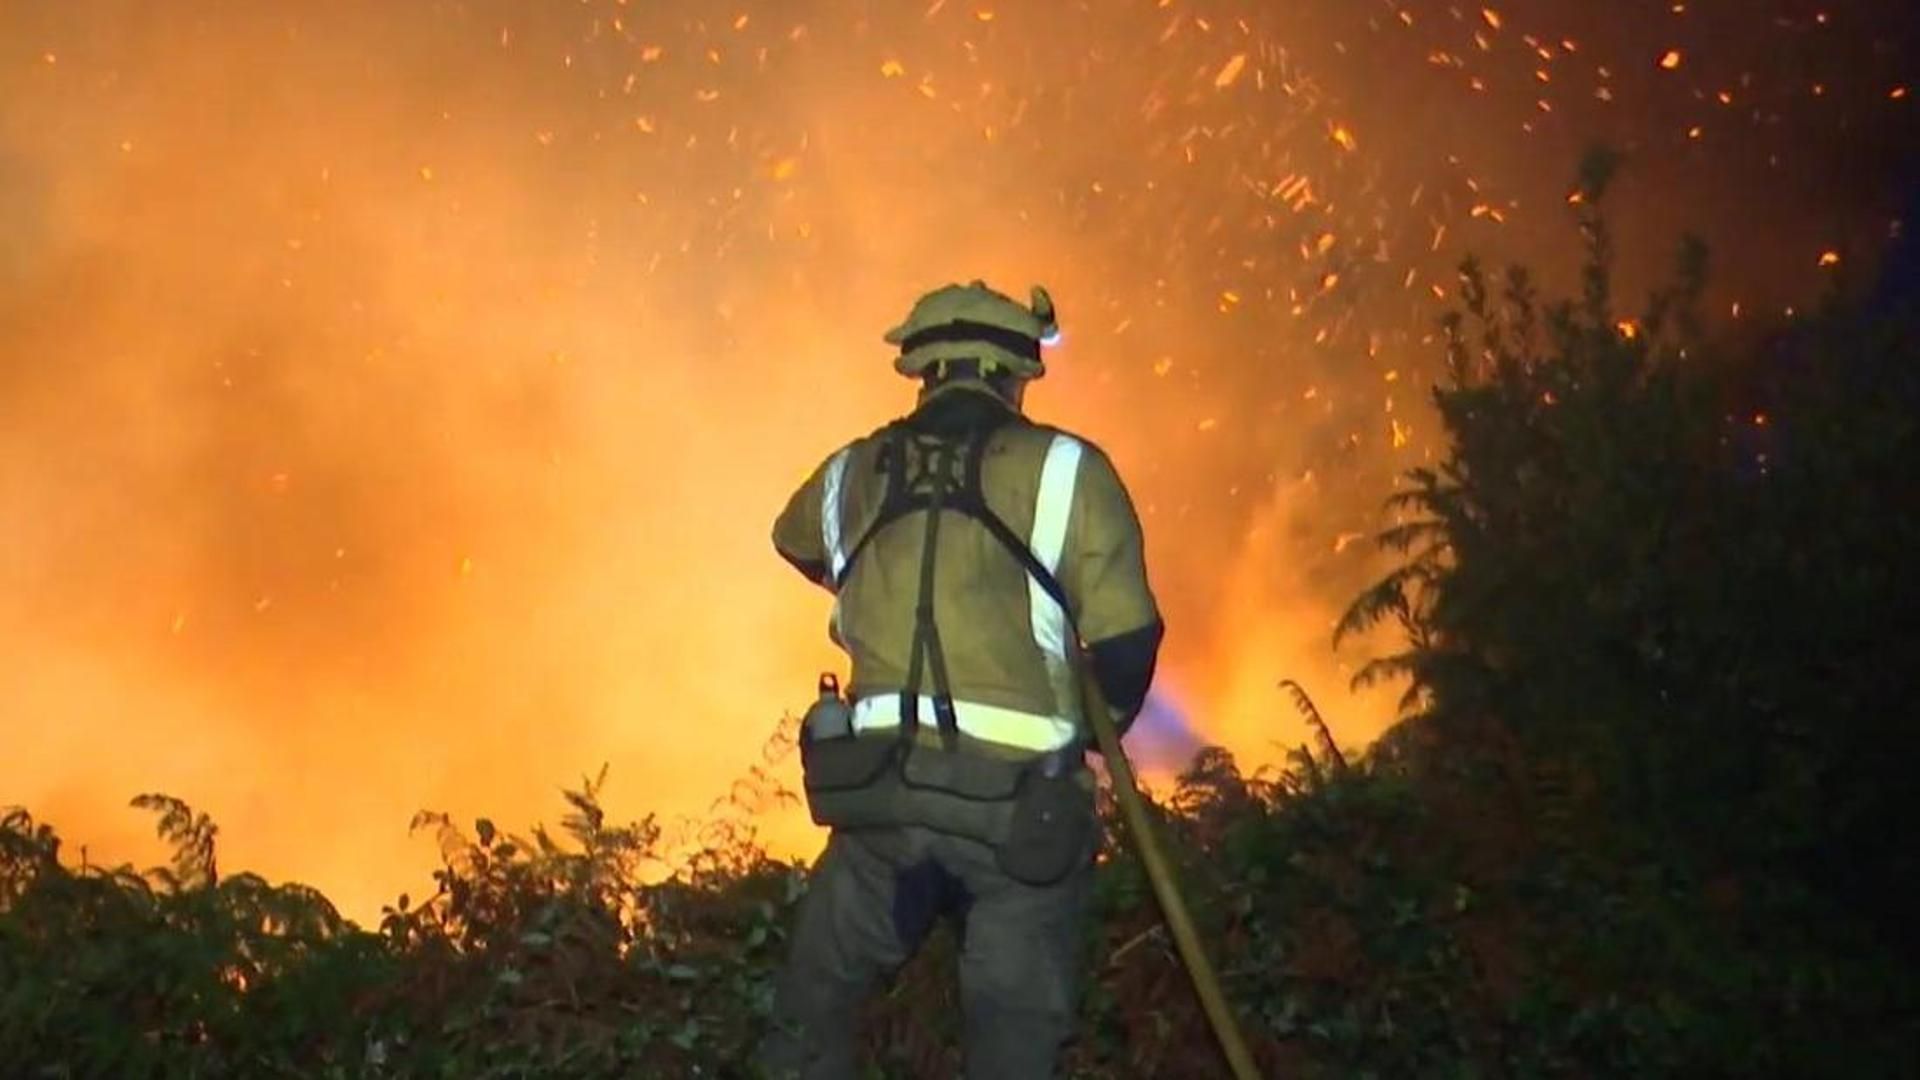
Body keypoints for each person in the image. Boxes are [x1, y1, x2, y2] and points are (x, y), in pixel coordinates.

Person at [754, 280, 1164, 1078]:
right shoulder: (1068, 470)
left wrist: (883, 578)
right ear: (1017, 374)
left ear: (922, 370)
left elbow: (796, 541)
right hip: (1022, 824)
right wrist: (1090, 725)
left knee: (813, 1014)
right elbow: (1125, 646)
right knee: (1015, 1038)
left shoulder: (851, 472)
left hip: (883, 810)